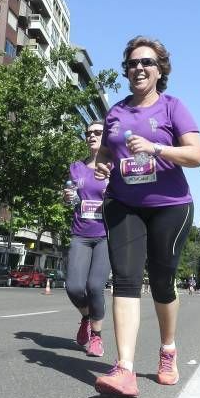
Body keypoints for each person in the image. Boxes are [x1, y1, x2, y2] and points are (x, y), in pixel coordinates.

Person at [93, 36, 200, 398]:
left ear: (160, 70)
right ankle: (124, 368)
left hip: (170, 205)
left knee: (161, 280)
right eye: (132, 63)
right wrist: (102, 167)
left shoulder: (173, 108)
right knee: (125, 279)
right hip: (124, 203)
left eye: (147, 63)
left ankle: (168, 349)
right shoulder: (116, 111)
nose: (139, 68)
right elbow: (106, 153)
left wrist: (156, 147)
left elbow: (196, 155)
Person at [63, 120, 110, 357]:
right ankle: (86, 317)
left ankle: (97, 337)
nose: (91, 136)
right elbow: (71, 199)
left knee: (94, 286)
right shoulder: (76, 168)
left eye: (97, 132)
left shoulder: (114, 166)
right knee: (73, 287)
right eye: (88, 133)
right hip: (81, 233)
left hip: (106, 235)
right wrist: (68, 196)